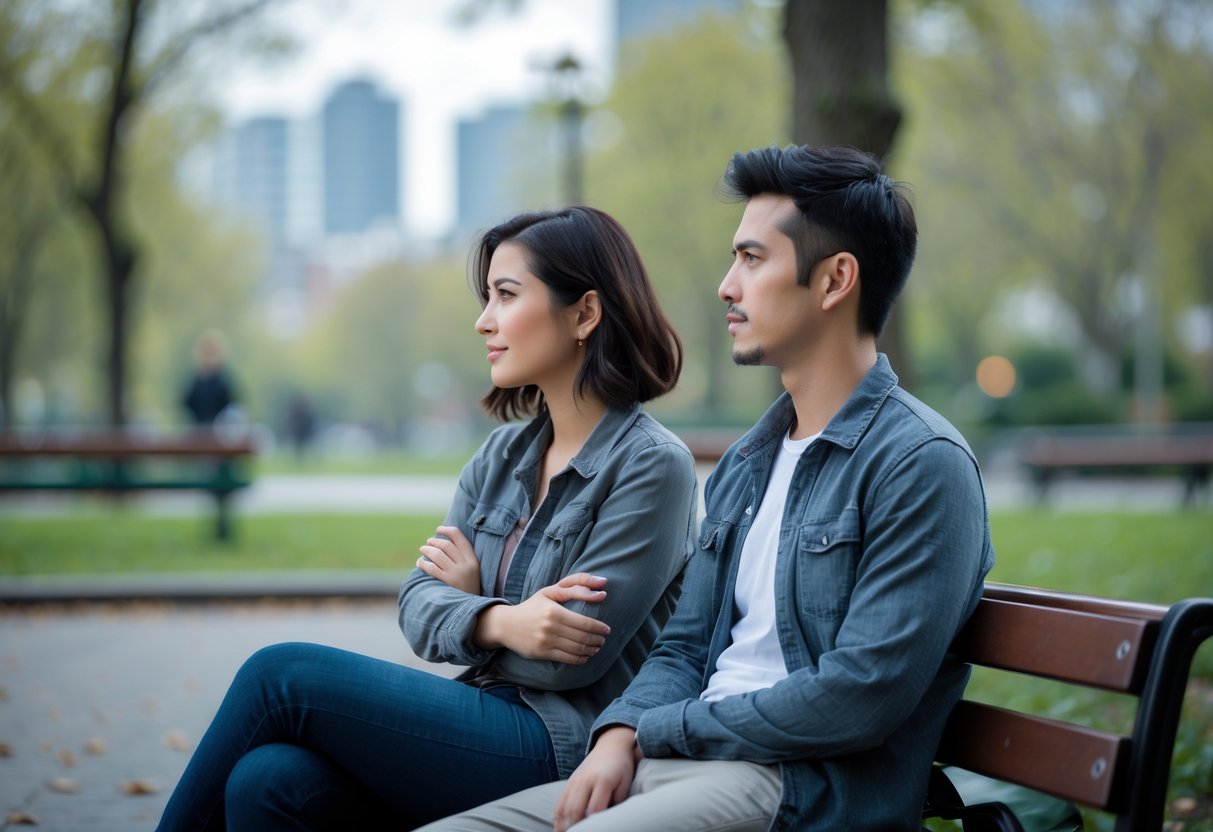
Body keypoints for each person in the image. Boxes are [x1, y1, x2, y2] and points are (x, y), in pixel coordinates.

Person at [419, 145, 995, 832]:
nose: (727, 286)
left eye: (752, 259)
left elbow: (859, 694)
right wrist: (619, 736)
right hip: (675, 763)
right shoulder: (747, 463)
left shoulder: (920, 463)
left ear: (835, 280)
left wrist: (660, 730)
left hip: (798, 792)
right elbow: (685, 647)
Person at [156, 206, 698, 831]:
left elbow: (566, 658)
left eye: (506, 295)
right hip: (475, 716)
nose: (483, 320)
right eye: (486, 298)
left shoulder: (652, 465)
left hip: (558, 744)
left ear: (584, 314)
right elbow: (416, 602)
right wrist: (501, 621)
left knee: (279, 675)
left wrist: (472, 608)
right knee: (266, 779)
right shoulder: (500, 457)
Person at [183, 330, 236, 427]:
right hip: (199, 429)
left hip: (220, 430)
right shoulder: (197, 382)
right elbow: (187, 402)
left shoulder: (224, 382)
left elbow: (231, 405)